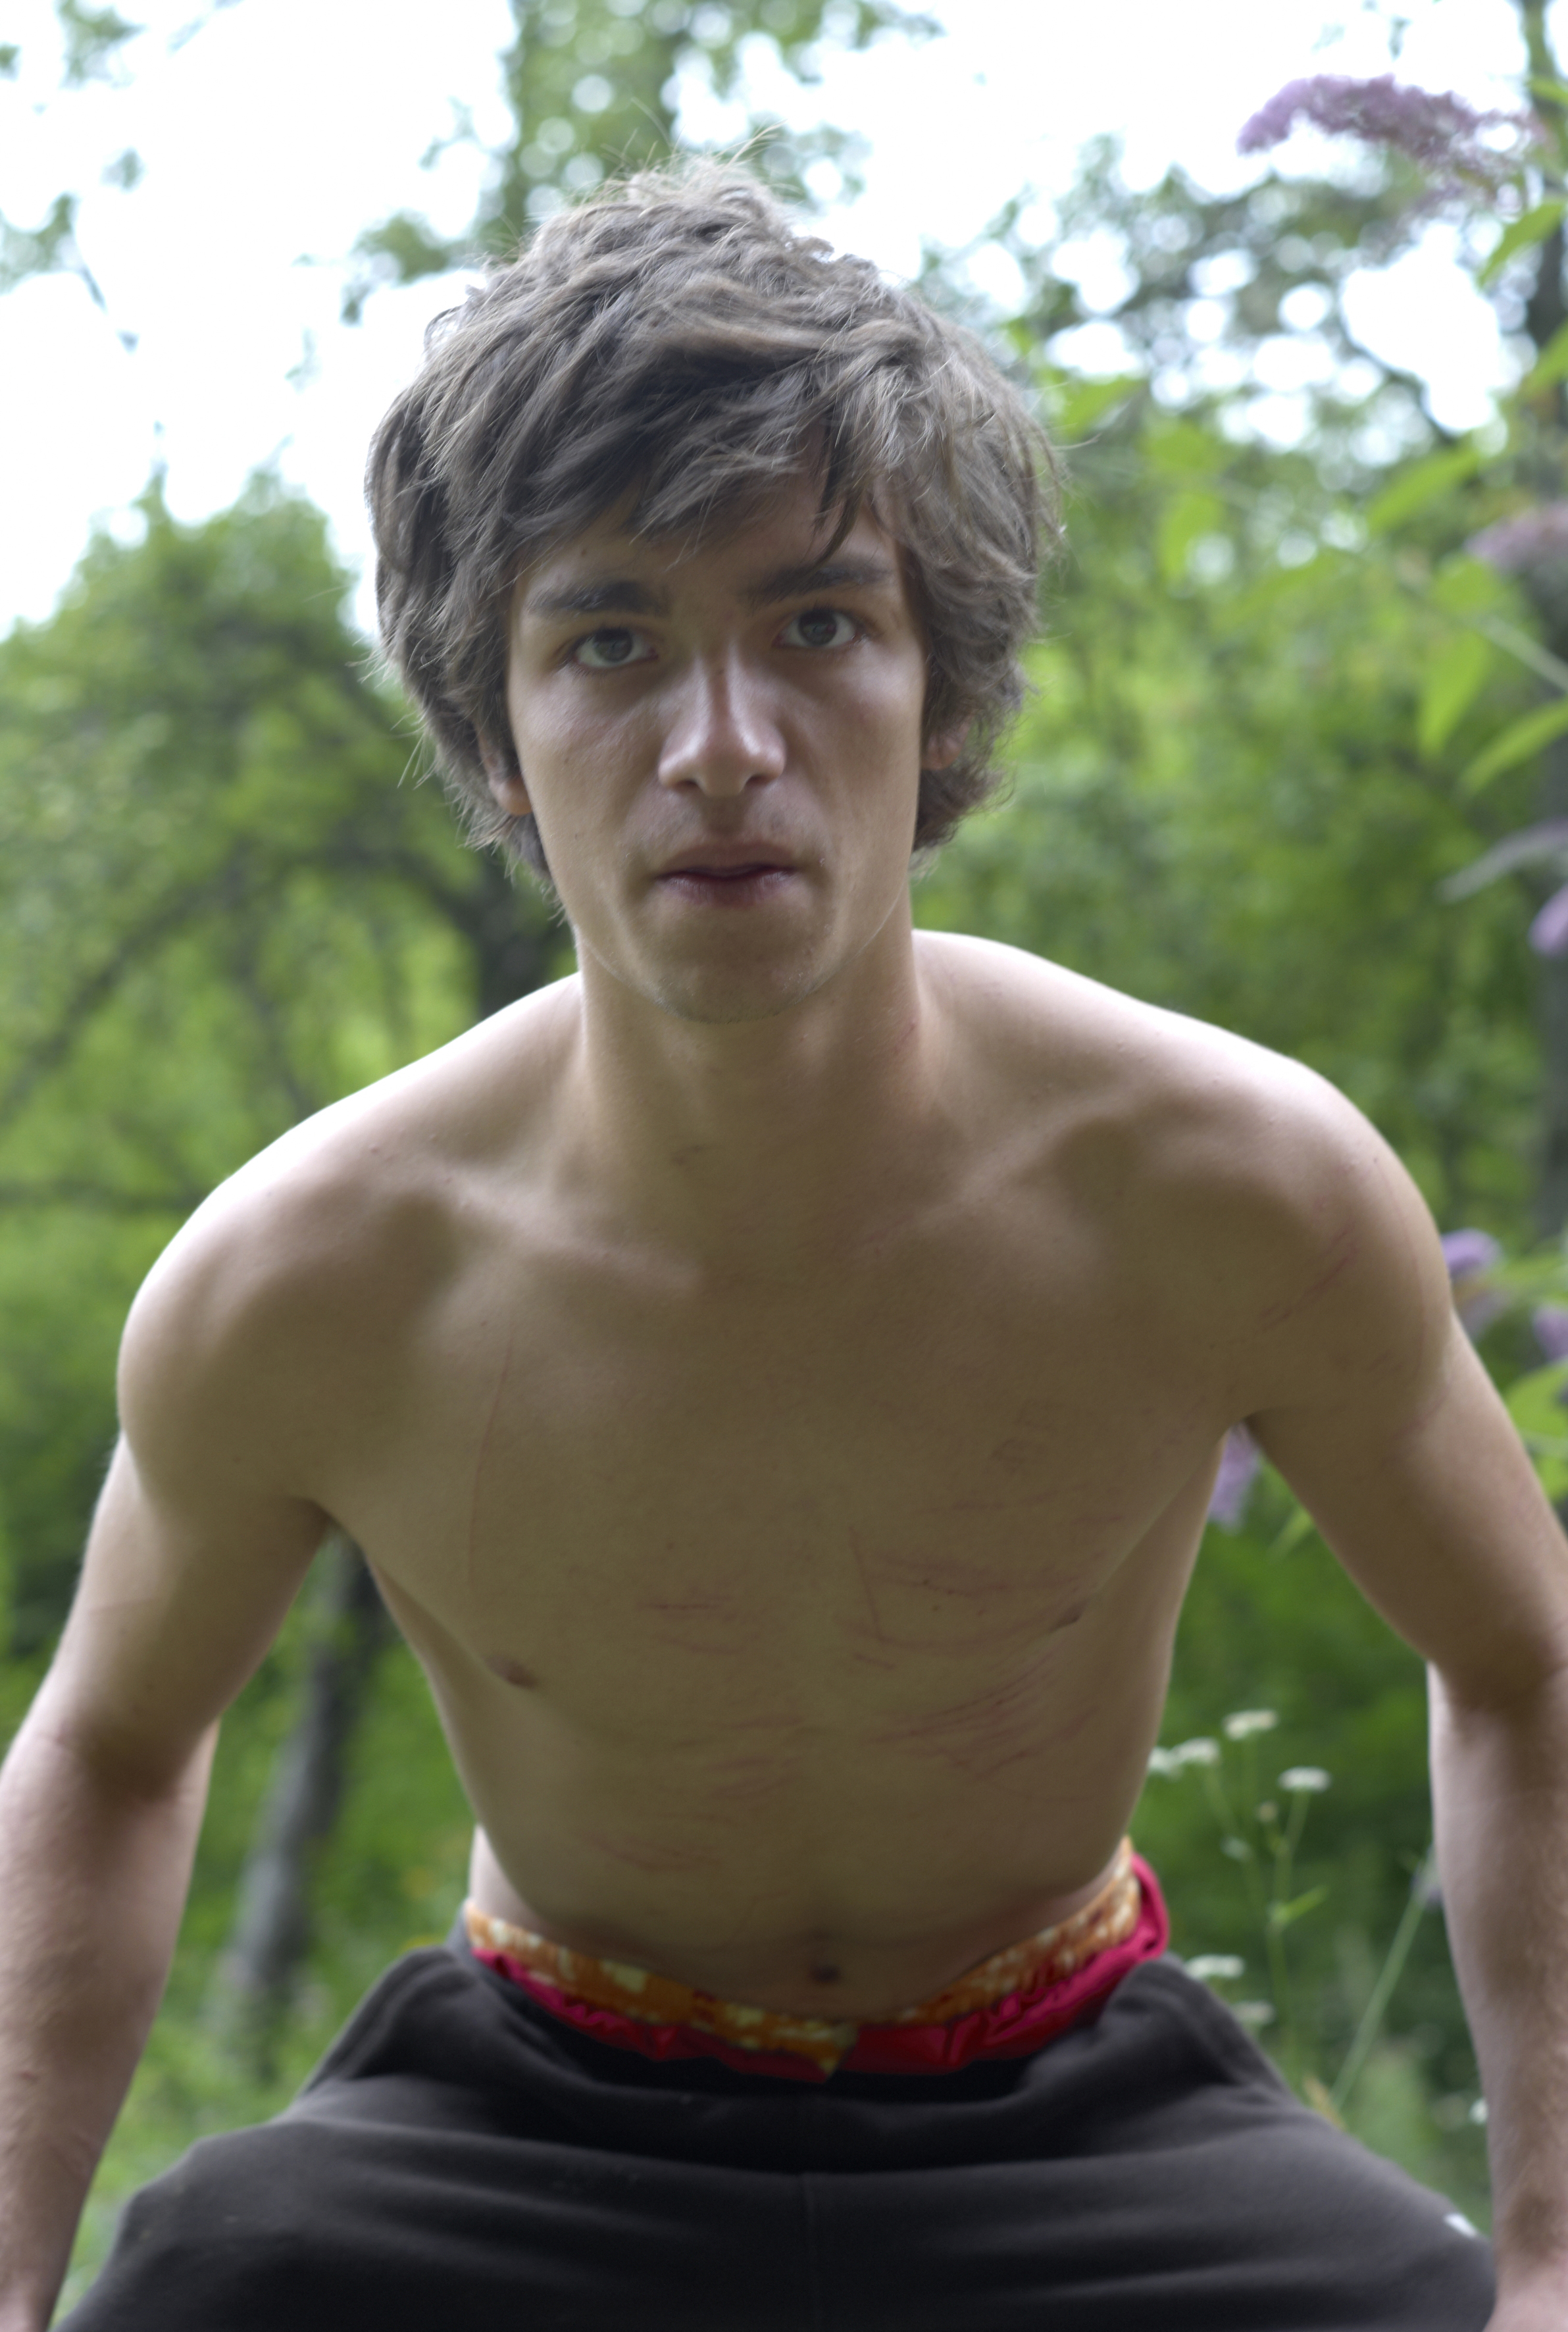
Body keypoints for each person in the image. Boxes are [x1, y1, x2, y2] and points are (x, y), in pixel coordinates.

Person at [0, 163, 1557, 2332]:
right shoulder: (313, 1277)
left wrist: (1556, 2255)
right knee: (199, 2290)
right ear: (497, 739)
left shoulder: (1228, 1187)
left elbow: (1528, 1665)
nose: (722, 749)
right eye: (610, 644)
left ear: (943, 697)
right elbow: (102, 1751)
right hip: (526, 2118)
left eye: (816, 626)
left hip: (1082, 2114)